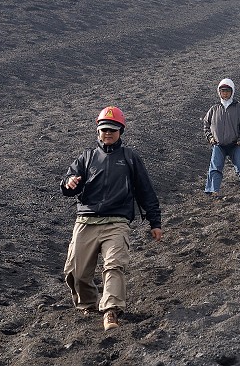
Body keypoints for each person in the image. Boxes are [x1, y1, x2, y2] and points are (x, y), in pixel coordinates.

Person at [60, 106, 163, 331]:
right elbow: (68, 184)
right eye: (104, 129)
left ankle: (110, 311)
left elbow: (146, 190)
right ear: (97, 131)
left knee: (114, 266)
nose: (108, 134)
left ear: (121, 131)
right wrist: (69, 183)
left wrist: (155, 222)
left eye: (112, 130)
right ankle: (87, 304)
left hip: (117, 222)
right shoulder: (86, 157)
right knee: (75, 272)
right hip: (86, 221)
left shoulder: (130, 158)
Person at [203, 78, 240, 195]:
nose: (225, 93)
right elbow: (206, 124)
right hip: (218, 145)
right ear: (219, 92)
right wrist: (210, 137)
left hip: (235, 144)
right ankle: (213, 190)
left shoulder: (239, 108)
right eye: (222, 91)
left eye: (227, 91)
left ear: (232, 92)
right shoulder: (214, 109)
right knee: (215, 168)